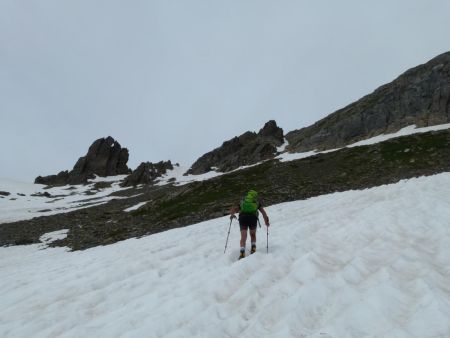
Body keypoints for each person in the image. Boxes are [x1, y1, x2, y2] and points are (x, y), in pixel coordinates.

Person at [230, 190, 270, 259]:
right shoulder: (256, 202)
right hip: (252, 218)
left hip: (243, 218)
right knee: (252, 234)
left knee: (243, 236)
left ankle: (242, 252)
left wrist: (232, 214)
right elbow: (263, 212)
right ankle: (253, 249)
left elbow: (235, 208)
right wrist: (266, 221)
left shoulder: (243, 201)